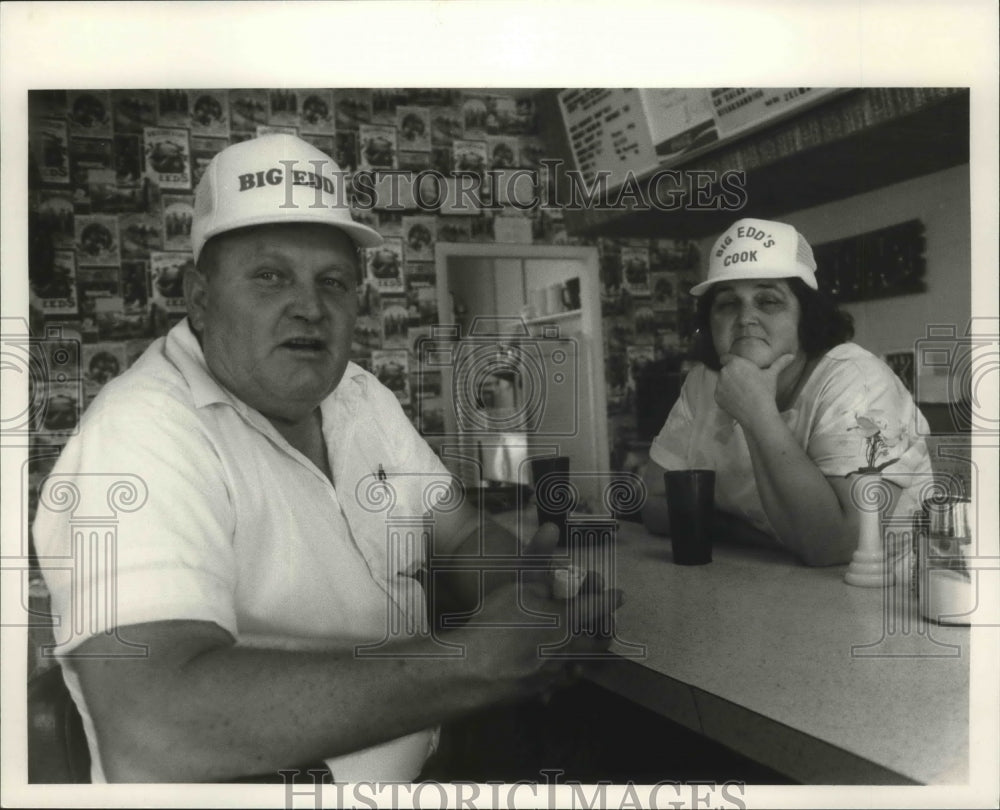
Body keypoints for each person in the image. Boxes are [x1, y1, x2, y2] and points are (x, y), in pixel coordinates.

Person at [32, 134, 621, 783]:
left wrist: (531, 595)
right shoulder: (141, 430)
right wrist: (469, 665)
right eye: (270, 275)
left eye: (333, 282)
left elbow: (454, 533)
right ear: (200, 297)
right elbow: (153, 728)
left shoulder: (359, 395)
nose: (309, 306)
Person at [642, 218, 932, 567]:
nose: (746, 317)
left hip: (897, 597)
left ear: (804, 317)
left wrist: (756, 413)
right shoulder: (703, 382)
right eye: (727, 303)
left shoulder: (858, 381)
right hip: (775, 590)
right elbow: (654, 504)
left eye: (768, 300)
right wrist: (758, 536)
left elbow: (839, 546)